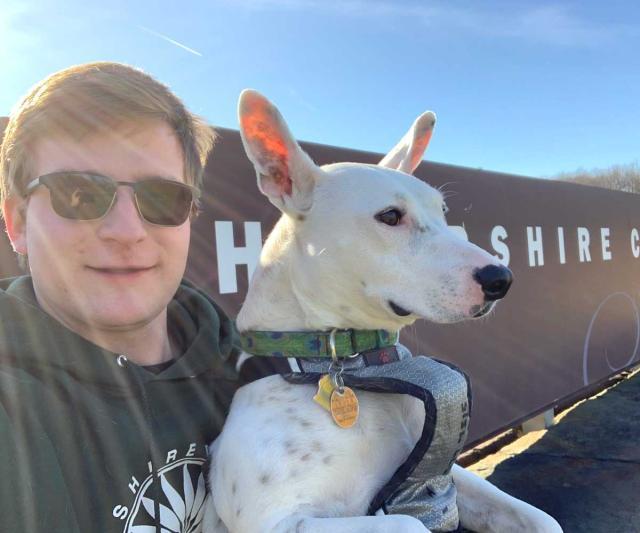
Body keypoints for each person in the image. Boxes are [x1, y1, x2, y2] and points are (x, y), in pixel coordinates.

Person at [0, 62, 242, 532]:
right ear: (16, 223)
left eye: (162, 198)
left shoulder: (259, 374)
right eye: (78, 194)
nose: (127, 231)